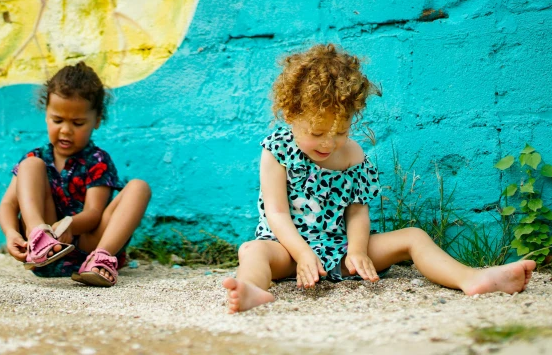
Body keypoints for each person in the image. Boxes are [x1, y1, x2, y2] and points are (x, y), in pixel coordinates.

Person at [222, 44, 536, 313]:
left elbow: (357, 210)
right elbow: (276, 213)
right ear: (291, 116)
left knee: (413, 236)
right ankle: (252, 290)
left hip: (342, 251)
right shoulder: (277, 149)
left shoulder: (353, 155)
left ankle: (471, 278)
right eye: (316, 133)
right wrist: (303, 253)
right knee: (252, 251)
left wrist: (357, 251)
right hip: (288, 252)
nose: (328, 144)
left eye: (340, 132)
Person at [0, 62, 151, 286]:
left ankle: (101, 259)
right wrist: (12, 234)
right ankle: (38, 236)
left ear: (97, 120)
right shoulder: (36, 157)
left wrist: (70, 224)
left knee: (139, 187)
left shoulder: (97, 160)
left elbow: (94, 213)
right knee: (30, 165)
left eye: (78, 123)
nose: (66, 130)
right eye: (57, 120)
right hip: (48, 251)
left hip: (89, 244)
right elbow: (8, 205)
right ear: (46, 115)